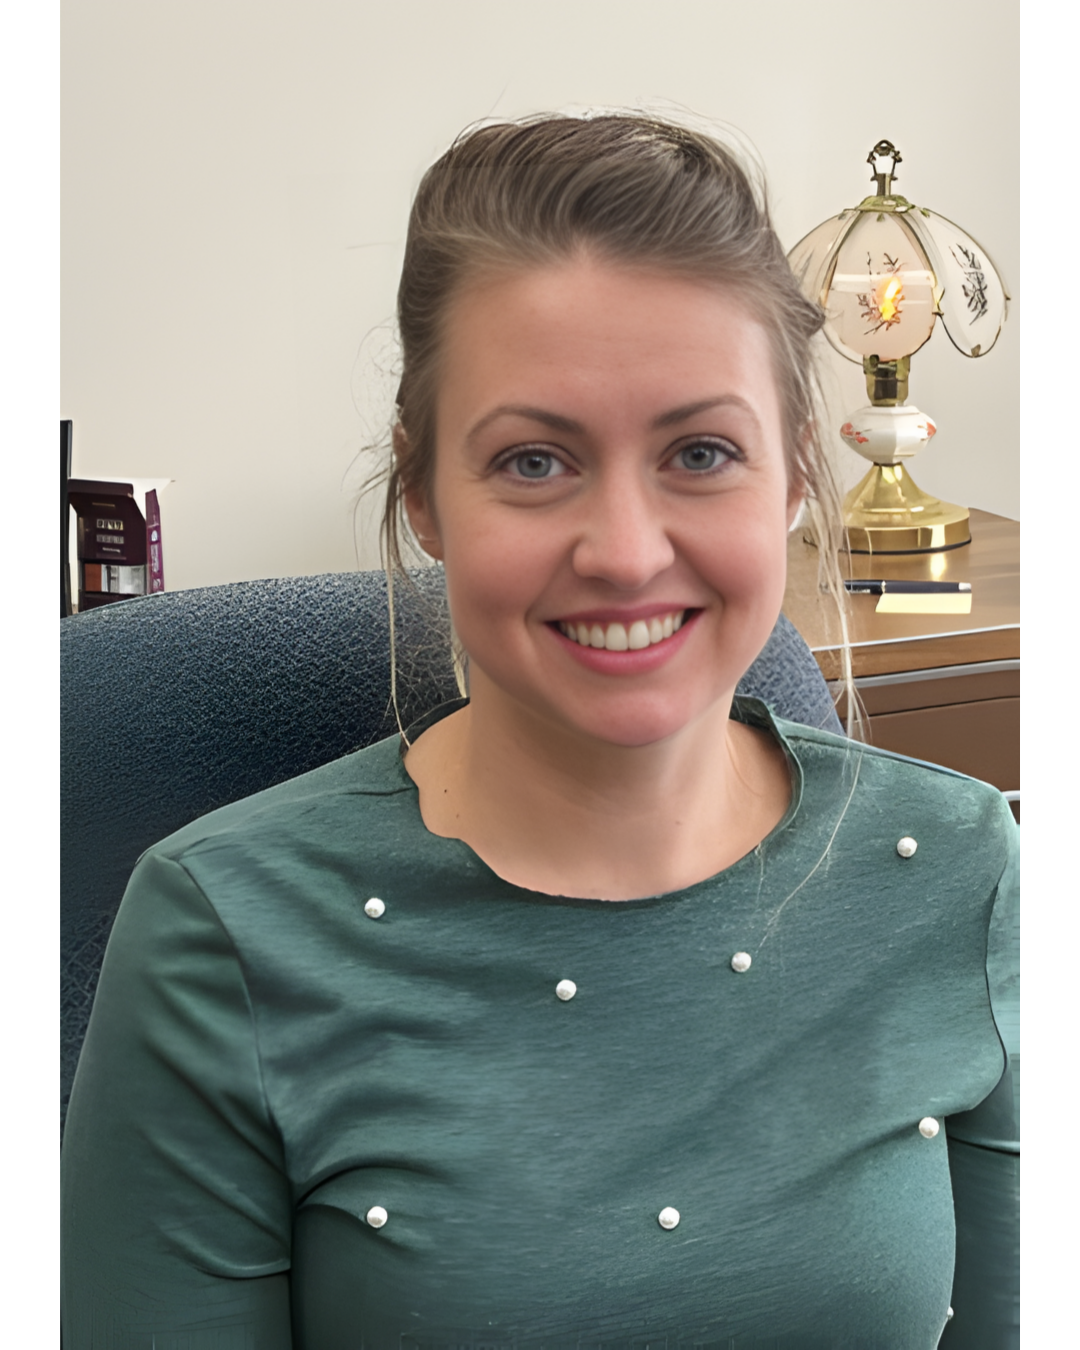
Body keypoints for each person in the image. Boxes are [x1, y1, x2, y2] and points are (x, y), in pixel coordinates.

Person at [61, 114, 1019, 1348]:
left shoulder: (959, 863)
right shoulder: (219, 935)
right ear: (423, 498)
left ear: (791, 482)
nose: (624, 551)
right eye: (532, 462)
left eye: (702, 451)